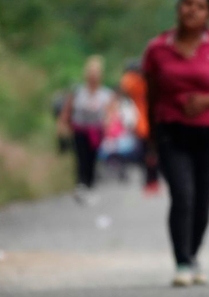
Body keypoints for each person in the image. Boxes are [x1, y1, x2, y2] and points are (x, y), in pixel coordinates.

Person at [143, 0, 209, 288]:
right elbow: (151, 93)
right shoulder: (157, 48)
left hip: (208, 133)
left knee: (202, 200)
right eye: (187, 4)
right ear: (178, 7)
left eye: (200, 6)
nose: (192, 10)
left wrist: (205, 102)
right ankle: (182, 261)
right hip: (170, 131)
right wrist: (150, 136)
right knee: (182, 196)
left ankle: (194, 254)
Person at [57, 56, 116, 206]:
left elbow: (110, 114)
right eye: (91, 73)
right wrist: (62, 127)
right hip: (79, 130)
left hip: (96, 132)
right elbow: (67, 112)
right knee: (80, 158)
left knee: (92, 159)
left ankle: (89, 187)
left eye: (96, 73)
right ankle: (80, 186)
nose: (93, 76)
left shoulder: (106, 94)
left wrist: (109, 130)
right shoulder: (77, 92)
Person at [120, 61, 160, 196]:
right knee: (147, 155)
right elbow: (125, 85)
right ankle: (151, 181)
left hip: (151, 124)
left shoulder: (143, 84)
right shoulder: (138, 84)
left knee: (151, 155)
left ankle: (153, 181)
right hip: (144, 125)